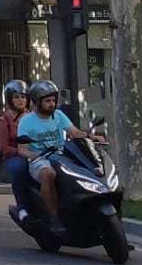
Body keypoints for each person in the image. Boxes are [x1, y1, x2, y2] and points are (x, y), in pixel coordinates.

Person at [16, 80, 94, 230]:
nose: (51, 104)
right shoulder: (26, 121)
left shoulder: (58, 115)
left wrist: (91, 136)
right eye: (47, 101)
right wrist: (34, 155)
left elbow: (74, 132)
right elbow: (22, 149)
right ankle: (54, 219)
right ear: (37, 102)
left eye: (53, 100)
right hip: (40, 161)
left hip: (61, 156)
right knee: (48, 174)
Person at [0, 80, 33, 213]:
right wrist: (23, 153)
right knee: (19, 168)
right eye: (16, 97)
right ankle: (22, 207)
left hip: (37, 154)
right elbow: (4, 147)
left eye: (23, 96)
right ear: (10, 99)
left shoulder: (33, 117)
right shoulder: (4, 121)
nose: (20, 100)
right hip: (15, 156)